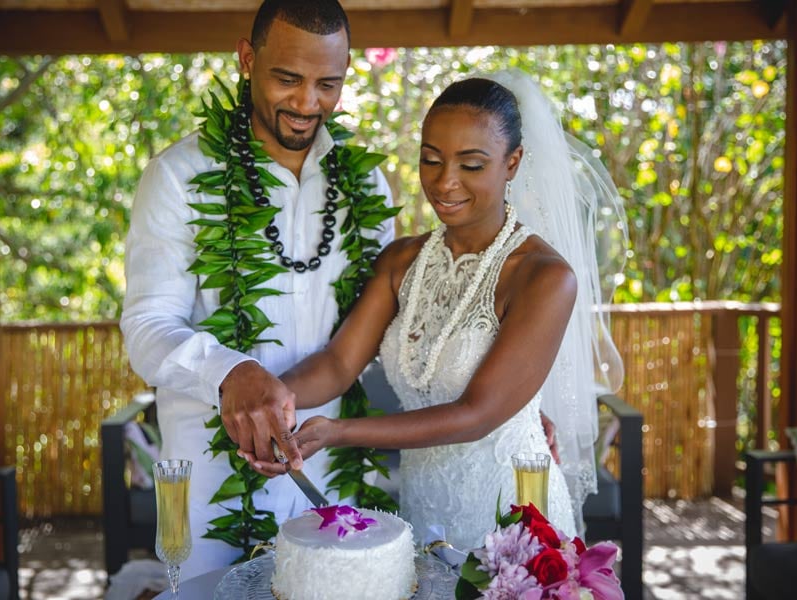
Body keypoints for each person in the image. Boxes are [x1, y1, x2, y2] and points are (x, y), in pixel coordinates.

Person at [243, 74, 627, 549]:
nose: (445, 182)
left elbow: (477, 413)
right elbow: (339, 363)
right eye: (431, 160)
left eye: (471, 165)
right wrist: (270, 401)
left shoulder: (544, 277)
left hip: (511, 515)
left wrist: (339, 431)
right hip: (423, 509)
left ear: (512, 164)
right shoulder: (401, 261)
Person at [120, 0, 396, 577]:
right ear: (247, 59)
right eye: (288, 79)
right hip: (211, 485)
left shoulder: (364, 181)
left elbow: (387, 325)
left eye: (328, 84)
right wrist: (229, 371)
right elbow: (146, 327)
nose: (306, 103)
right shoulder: (177, 177)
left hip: (331, 476)